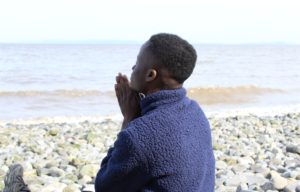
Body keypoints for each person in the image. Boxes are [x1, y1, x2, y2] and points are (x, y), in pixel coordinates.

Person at [95, 33, 215, 192]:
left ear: (150, 75)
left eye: (137, 63)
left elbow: (104, 186)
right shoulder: (196, 112)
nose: (133, 68)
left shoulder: (139, 135)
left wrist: (129, 119)